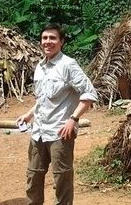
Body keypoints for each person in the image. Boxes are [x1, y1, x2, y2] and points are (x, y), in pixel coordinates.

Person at [16, 23, 98, 205]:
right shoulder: (40, 67)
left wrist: (73, 119)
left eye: (53, 38)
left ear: (61, 42)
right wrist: (29, 115)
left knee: (62, 178)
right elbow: (43, 98)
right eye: (44, 38)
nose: (48, 42)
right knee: (33, 175)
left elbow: (89, 93)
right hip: (39, 131)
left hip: (60, 132)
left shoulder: (68, 65)